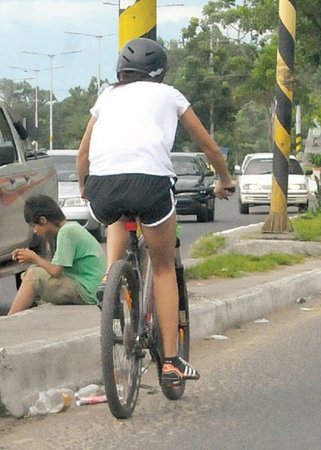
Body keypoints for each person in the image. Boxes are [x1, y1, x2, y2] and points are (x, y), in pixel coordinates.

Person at [76, 37, 235, 386]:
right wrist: (224, 180)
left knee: (116, 214)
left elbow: (83, 155)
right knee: (163, 267)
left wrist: (85, 187)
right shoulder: (170, 95)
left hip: (103, 184)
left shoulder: (106, 96)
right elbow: (208, 146)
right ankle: (172, 363)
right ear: (160, 71)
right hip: (151, 183)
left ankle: (110, 278)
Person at [8, 195, 106, 316]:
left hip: (87, 289)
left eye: (34, 226)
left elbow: (55, 271)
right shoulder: (68, 229)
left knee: (34, 276)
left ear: (43, 220)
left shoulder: (67, 232)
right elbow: (54, 267)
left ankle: (10, 318)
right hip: (86, 285)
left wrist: (34, 257)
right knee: (33, 270)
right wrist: (32, 261)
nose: (35, 231)